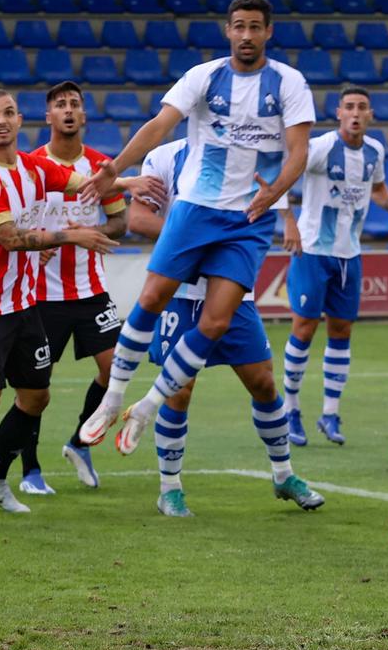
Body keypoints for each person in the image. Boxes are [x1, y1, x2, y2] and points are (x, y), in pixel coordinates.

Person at [79, 0, 320, 519]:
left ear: (268, 32)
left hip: (241, 229)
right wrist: (111, 168)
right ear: (228, 32)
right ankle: (158, 467)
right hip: (192, 241)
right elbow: (151, 150)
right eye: (240, 27)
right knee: (178, 378)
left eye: (256, 27)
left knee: (260, 380)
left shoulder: (289, 86)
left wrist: (274, 196)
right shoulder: (174, 141)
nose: (248, 35)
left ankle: (282, 475)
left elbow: (298, 154)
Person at [0, 88, 118, 521]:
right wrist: (74, 235)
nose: (0, 120)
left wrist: (123, 178)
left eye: (7, 113)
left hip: (24, 305)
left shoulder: (35, 168)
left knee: (36, 396)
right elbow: (11, 239)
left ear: (20, 120)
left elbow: (87, 183)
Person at [129, 139, 322, 516]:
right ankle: (170, 488)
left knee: (264, 383)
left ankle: (283, 475)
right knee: (179, 390)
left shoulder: (250, 154)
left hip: (233, 293)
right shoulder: (165, 155)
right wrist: (192, 239)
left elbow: (263, 212)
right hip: (181, 292)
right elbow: (137, 218)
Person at [14, 81, 129, 495]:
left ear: (83, 116)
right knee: (35, 385)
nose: (67, 110)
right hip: (40, 295)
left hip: (90, 290)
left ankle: (80, 442)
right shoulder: (30, 167)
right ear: (48, 117)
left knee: (115, 368)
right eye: (59, 104)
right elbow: (15, 226)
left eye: (74, 104)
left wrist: (94, 230)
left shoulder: (100, 167)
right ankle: (30, 471)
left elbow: (120, 221)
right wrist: (41, 241)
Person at [281, 87, 388, 448]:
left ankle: (330, 412)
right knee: (304, 327)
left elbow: (377, 190)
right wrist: (289, 222)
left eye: (362, 107)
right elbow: (284, 175)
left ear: (370, 114)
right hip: (312, 251)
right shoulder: (322, 148)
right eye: (349, 107)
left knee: (341, 329)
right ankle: (291, 409)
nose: (356, 113)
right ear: (338, 112)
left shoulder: (375, 151)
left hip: (350, 254)